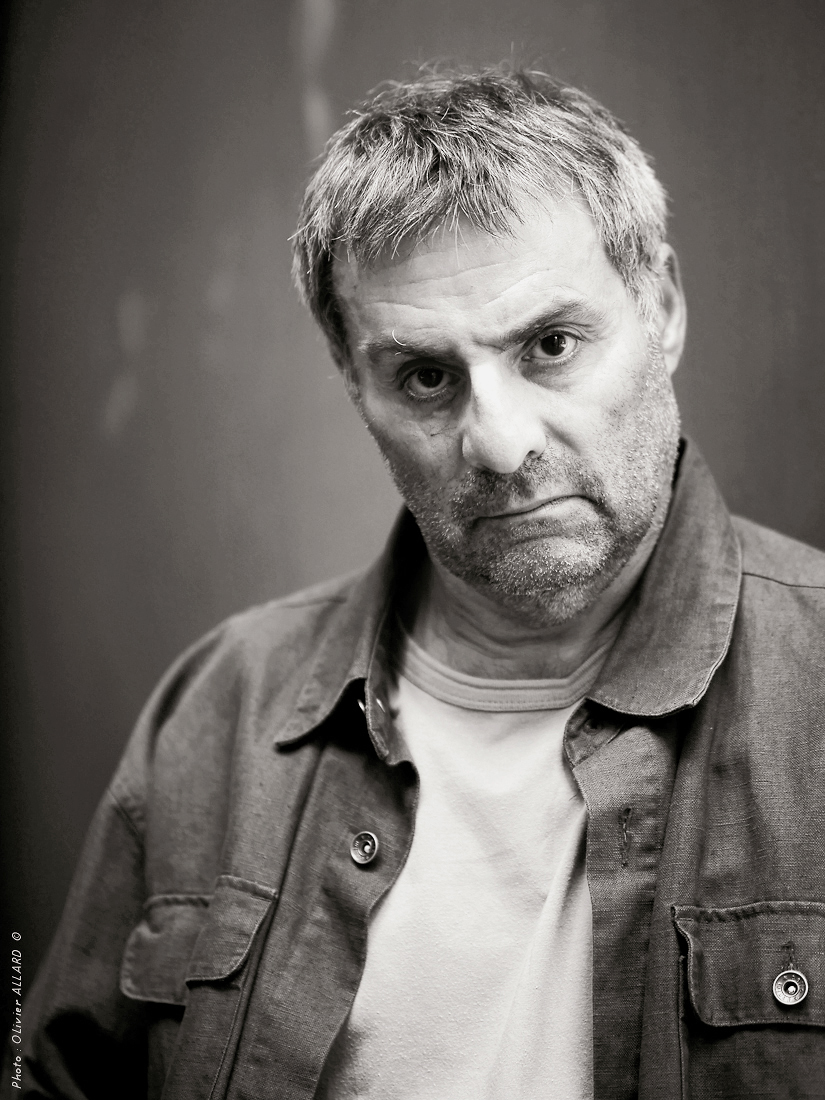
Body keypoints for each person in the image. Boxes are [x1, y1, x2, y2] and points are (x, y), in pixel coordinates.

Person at [7, 67, 825, 1100]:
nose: (500, 442)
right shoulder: (219, 709)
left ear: (660, 309)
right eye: (427, 378)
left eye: (551, 345)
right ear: (355, 383)